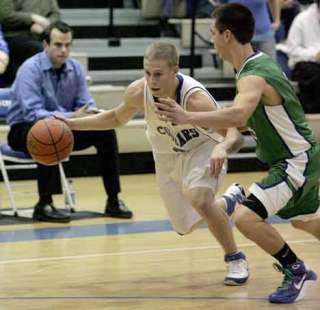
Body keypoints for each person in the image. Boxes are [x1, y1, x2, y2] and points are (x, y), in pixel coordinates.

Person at [154, 3, 320, 304]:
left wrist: (187, 117)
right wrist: (222, 144)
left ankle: (295, 270)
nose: (212, 38)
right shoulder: (249, 68)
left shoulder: (253, 74)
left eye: (213, 32)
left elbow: (238, 113)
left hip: (295, 161)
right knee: (305, 222)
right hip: (300, 158)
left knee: (245, 217)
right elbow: (242, 123)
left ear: (227, 35)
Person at [60, 41, 250, 285]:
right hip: (166, 158)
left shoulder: (194, 99)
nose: (152, 80)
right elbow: (117, 117)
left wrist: (222, 148)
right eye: (147, 73)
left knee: (200, 200)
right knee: (184, 226)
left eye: (158, 74)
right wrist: (71, 124)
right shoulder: (139, 92)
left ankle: (235, 258)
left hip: (202, 151)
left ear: (175, 70)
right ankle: (229, 201)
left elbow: (234, 134)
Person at [7, 21, 132, 223]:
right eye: (58, 45)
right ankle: (44, 204)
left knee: (105, 131)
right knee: (48, 131)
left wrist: (91, 114)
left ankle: (113, 200)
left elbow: (86, 103)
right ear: (46, 44)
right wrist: (72, 116)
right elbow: (33, 113)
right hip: (22, 129)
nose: (64, 50)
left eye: (67, 45)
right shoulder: (29, 69)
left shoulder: (75, 68)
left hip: (64, 124)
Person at [0, 0, 61, 86]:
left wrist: (45, 25)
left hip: (42, 34)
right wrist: (32, 19)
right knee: (41, 51)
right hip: (14, 36)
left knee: (59, 49)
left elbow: (56, 15)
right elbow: (5, 16)